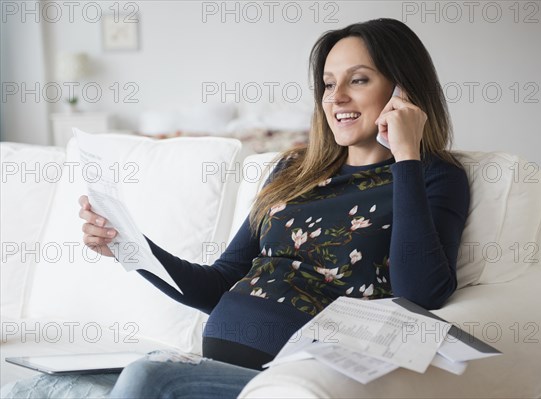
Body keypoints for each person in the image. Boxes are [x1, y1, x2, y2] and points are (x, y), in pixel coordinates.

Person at [78, 18, 470, 399]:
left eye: (359, 79)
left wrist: (406, 155)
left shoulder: (432, 176)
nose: (336, 97)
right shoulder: (293, 169)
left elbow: (421, 294)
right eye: (329, 84)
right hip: (219, 371)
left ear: (402, 91)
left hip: (295, 384)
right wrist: (129, 247)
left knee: (149, 377)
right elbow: (220, 282)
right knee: (56, 386)